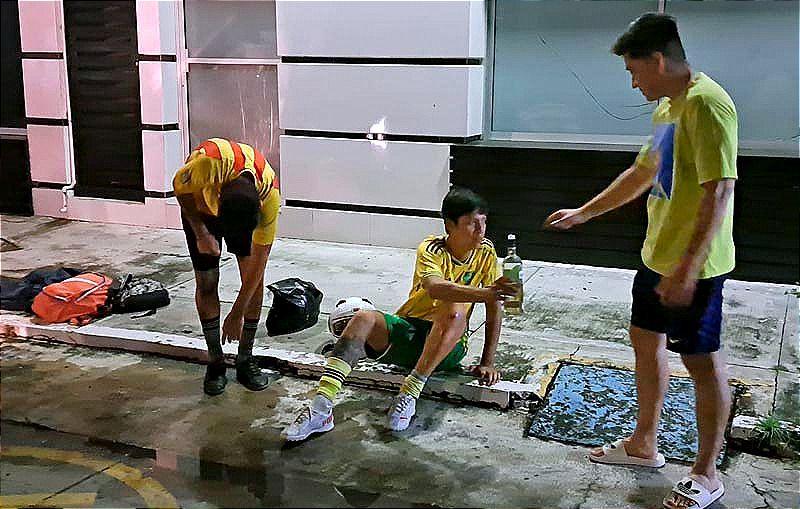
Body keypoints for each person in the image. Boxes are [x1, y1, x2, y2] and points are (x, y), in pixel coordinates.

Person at [544, 13, 737, 509]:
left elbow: (720, 191)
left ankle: (706, 473)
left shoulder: (707, 104)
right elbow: (645, 171)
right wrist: (584, 213)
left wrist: (688, 269)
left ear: (658, 60)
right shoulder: (668, 107)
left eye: (635, 71)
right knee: (645, 341)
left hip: (695, 268)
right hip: (657, 255)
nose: (632, 82)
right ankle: (644, 444)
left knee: (701, 362)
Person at [284, 187, 517, 440]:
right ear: (450, 225)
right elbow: (435, 287)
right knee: (362, 317)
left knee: (454, 308)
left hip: (449, 345)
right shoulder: (432, 249)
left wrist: (487, 361)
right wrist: (486, 293)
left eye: (484, 222)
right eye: (472, 224)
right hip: (412, 331)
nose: (481, 231)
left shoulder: (486, 252)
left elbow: (496, 305)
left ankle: (409, 393)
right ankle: (320, 410)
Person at [173, 137, 280, 396]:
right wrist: (201, 233)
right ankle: (216, 362)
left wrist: (237, 313)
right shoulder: (206, 164)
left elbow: (258, 266)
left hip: (238, 210)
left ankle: (245, 359)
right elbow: (180, 189)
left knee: (253, 282)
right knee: (207, 281)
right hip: (201, 213)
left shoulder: (269, 197)